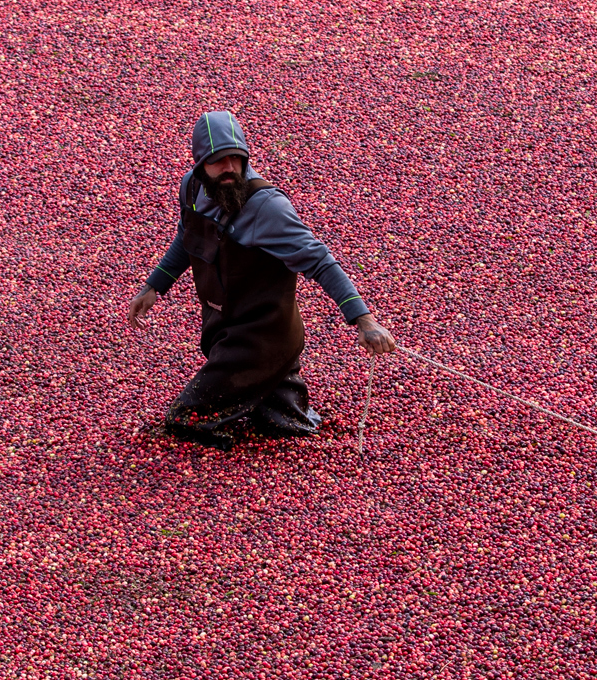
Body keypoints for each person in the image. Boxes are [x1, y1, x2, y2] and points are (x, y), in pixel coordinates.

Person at [126, 111, 396, 447]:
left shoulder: (267, 207)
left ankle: (269, 381)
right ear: (199, 165)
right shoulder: (192, 188)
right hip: (223, 321)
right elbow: (187, 236)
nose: (228, 169)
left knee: (186, 419)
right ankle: (278, 398)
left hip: (263, 334)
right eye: (217, 162)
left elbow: (320, 261)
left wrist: (364, 320)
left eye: (235, 159)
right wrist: (155, 285)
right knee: (282, 420)